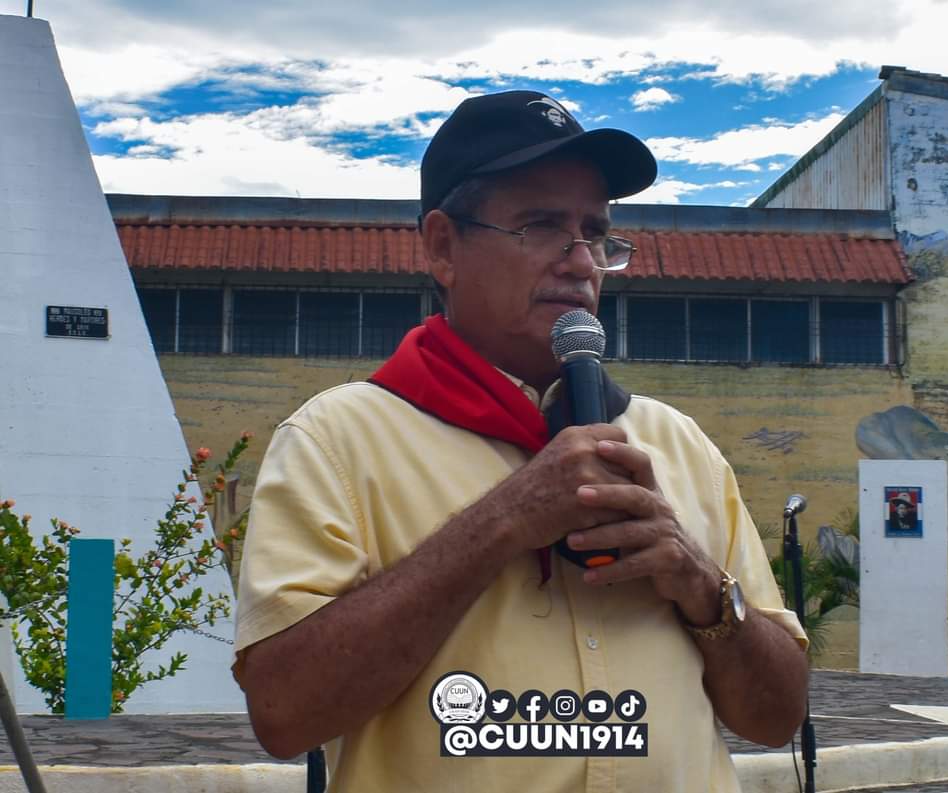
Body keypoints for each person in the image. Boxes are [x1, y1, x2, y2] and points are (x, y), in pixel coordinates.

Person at [233, 90, 808, 792]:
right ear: (443, 247)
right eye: (541, 226)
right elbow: (284, 713)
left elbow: (778, 717)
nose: (581, 262)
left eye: (596, 233)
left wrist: (701, 584)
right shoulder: (335, 441)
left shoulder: (679, 444)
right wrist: (505, 518)